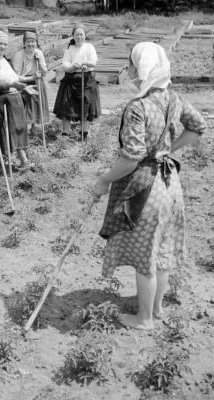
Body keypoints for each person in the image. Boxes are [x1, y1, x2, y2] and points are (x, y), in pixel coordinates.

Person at [93, 42, 206, 330]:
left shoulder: (138, 106)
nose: (129, 70)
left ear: (141, 67)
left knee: (146, 256)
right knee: (161, 251)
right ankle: (156, 309)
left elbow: (130, 158)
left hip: (146, 188)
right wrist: (169, 150)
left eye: (132, 64)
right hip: (170, 186)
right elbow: (198, 126)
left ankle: (143, 319)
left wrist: (104, 179)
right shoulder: (173, 97)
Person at [0, 29, 32, 169]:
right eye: (0, 43)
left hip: (15, 99)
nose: (3, 47)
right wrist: (10, 85)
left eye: (5, 44)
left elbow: (15, 78)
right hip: (4, 101)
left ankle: (23, 160)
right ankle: (4, 161)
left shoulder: (6, 59)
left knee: (18, 129)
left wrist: (24, 87)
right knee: (7, 130)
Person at [53, 23, 101, 139]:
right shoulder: (70, 49)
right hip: (71, 80)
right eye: (76, 34)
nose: (79, 37)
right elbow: (65, 66)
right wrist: (73, 67)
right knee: (66, 106)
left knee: (86, 106)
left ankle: (84, 133)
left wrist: (84, 64)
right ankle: (65, 133)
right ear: (73, 36)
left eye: (81, 34)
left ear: (85, 36)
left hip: (86, 79)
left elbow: (93, 62)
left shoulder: (89, 47)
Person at [12, 31, 49, 135]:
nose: (30, 44)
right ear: (24, 43)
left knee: (36, 105)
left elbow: (44, 73)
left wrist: (39, 60)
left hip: (37, 81)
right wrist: (32, 77)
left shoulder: (39, 53)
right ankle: (23, 130)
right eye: (28, 41)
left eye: (33, 41)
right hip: (23, 82)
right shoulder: (19, 55)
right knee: (26, 106)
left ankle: (33, 128)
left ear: (36, 43)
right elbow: (16, 77)